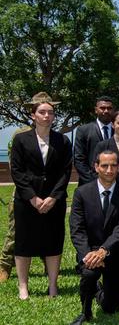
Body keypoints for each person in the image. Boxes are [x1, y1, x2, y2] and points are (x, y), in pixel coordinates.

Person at [11, 92, 72, 299]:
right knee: (24, 242)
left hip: (54, 200)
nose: (47, 116)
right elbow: (17, 171)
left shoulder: (62, 140)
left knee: (53, 241)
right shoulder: (21, 140)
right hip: (27, 200)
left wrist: (54, 197)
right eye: (42, 112)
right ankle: (23, 286)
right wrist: (33, 198)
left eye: (50, 113)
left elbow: (65, 171)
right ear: (33, 115)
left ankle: (53, 286)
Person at [69, 150, 119, 324]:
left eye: (114, 165)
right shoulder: (81, 193)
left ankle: (97, 291)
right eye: (104, 165)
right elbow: (77, 229)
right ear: (96, 167)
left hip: (115, 253)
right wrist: (88, 255)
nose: (109, 170)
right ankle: (86, 311)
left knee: (111, 307)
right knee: (89, 275)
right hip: (89, 252)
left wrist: (104, 250)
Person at [0, 126, 32, 283]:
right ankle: (5, 266)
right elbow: (14, 164)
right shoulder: (20, 133)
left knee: (46, 230)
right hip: (23, 189)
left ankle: (49, 266)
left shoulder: (53, 136)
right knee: (15, 230)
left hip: (45, 190)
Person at [74, 96, 114, 186]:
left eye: (109, 108)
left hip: (115, 184)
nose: (106, 111)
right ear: (96, 110)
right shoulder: (83, 130)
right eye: (102, 108)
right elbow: (79, 160)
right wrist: (94, 182)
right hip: (89, 184)